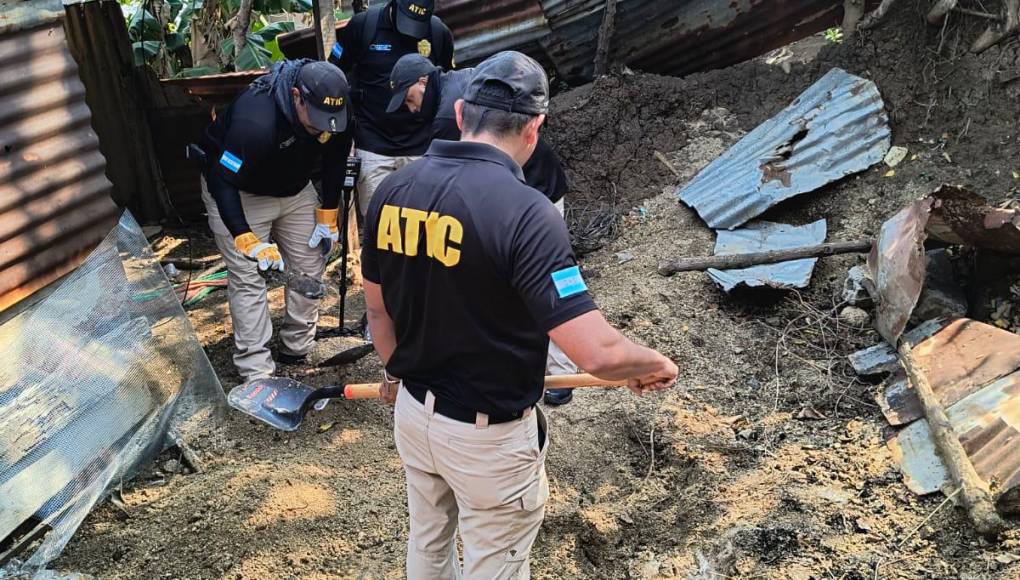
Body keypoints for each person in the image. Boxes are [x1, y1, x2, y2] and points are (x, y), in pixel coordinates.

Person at [361, 51, 679, 579]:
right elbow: (597, 353)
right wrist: (651, 362)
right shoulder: (527, 213)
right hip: (488, 439)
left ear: (461, 114)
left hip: (414, 415)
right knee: (494, 563)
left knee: (428, 542)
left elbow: (377, 309)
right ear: (535, 127)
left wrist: (399, 373)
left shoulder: (393, 190)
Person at [386, 52, 578, 406]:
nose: (409, 109)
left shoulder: (450, 118)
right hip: (511, 193)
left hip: (533, 194)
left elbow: (454, 182)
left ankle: (558, 371)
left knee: (542, 284)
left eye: (409, 99)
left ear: (423, 82)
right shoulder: (462, 86)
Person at [200, 59, 353, 380]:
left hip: (294, 190)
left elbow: (336, 159)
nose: (325, 130)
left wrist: (328, 214)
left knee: (310, 263)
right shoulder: (254, 121)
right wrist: (246, 239)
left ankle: (296, 347)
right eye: (317, 124)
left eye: (331, 122)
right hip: (241, 192)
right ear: (297, 96)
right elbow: (221, 180)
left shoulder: (334, 113)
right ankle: (256, 368)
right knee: (247, 277)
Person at [328, 0, 454, 218]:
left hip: (421, 147)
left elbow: (446, 83)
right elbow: (332, 75)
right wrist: (343, 131)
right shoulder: (363, 26)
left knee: (423, 224)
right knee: (378, 224)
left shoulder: (437, 32)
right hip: (373, 144)